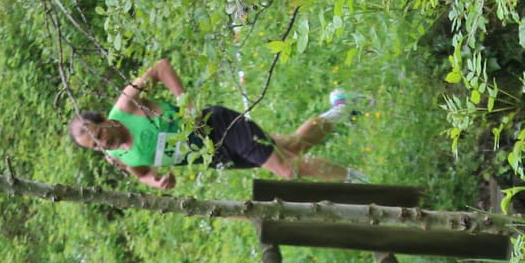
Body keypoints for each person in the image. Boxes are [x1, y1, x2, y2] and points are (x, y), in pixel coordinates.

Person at [67, 59, 362, 190]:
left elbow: (160, 67)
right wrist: (156, 181)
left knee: (287, 168)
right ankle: (340, 108)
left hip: (216, 126)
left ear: (104, 120)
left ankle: (361, 182)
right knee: (292, 146)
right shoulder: (115, 155)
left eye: (100, 134)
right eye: (95, 146)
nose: (102, 143)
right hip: (213, 156)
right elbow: (141, 171)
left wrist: (187, 103)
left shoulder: (126, 104)